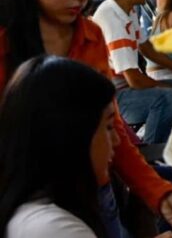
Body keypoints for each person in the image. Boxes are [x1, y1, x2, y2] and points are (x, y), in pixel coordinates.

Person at [0, 0, 172, 237]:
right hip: (25, 206)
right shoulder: (4, 41)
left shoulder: (91, 37)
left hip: (96, 193)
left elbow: (112, 129)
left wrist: (158, 192)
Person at [0, 56, 117, 238]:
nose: (116, 140)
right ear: (72, 134)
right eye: (108, 127)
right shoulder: (54, 228)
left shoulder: (35, 215)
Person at [93, 0, 172, 144]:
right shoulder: (111, 18)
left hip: (126, 88)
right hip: (112, 97)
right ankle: (151, 154)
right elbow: (134, 80)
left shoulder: (129, 9)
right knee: (168, 97)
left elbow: (147, 48)